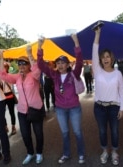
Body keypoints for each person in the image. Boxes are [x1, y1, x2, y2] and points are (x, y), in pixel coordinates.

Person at [37, 34, 86, 164]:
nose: (60, 65)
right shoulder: (54, 75)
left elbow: (80, 61)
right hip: (60, 109)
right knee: (64, 133)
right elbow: (41, 65)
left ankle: (81, 154)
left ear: (67, 64)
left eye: (63, 63)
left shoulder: (73, 74)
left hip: (74, 107)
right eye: (58, 63)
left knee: (77, 132)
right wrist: (39, 47)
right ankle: (66, 154)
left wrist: (76, 42)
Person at [0, 45, 45, 165]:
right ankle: (30, 153)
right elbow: (2, 75)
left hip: (36, 109)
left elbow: (37, 69)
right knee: (25, 135)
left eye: (24, 64)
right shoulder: (17, 77)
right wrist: (1, 57)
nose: (21, 66)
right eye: (19, 64)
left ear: (29, 65)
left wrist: (29, 54)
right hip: (22, 111)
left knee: (38, 134)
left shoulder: (34, 76)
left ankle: (39, 153)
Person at [92, 26, 123, 166]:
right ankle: (105, 151)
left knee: (115, 132)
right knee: (102, 131)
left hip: (114, 107)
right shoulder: (97, 70)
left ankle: (115, 152)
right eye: (103, 57)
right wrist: (97, 34)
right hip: (99, 107)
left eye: (108, 56)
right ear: (100, 59)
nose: (105, 59)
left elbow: (122, 91)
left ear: (112, 59)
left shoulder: (118, 73)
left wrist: (122, 108)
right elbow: (94, 50)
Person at [2, 63, 17, 135]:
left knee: (11, 112)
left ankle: (13, 127)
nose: (4, 68)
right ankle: (5, 126)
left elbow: (12, 83)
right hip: (2, 97)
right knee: (2, 113)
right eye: (3, 67)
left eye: (5, 67)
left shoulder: (9, 76)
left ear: (7, 68)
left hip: (10, 96)